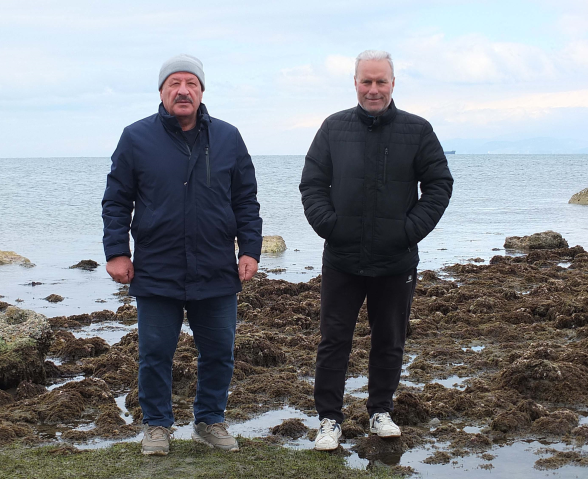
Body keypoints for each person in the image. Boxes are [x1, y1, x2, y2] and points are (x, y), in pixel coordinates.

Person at [102, 54, 262, 455]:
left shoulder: (228, 137)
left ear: (202, 91)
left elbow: (246, 200)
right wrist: (117, 252)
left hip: (215, 267)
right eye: (174, 83)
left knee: (220, 352)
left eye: (191, 83)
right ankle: (156, 426)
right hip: (157, 267)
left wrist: (251, 250)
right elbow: (116, 201)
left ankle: (209, 421)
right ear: (161, 92)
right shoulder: (136, 137)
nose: (182, 90)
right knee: (154, 353)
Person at [299, 50, 453, 451]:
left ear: (392, 83)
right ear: (355, 83)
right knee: (334, 340)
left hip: (395, 258)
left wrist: (409, 231)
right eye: (366, 81)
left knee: (390, 339)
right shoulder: (333, 128)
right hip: (342, 258)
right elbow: (312, 183)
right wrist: (329, 226)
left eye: (380, 81)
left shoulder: (417, 130)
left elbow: (439, 185)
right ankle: (329, 420)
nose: (373, 89)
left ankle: (379, 411)